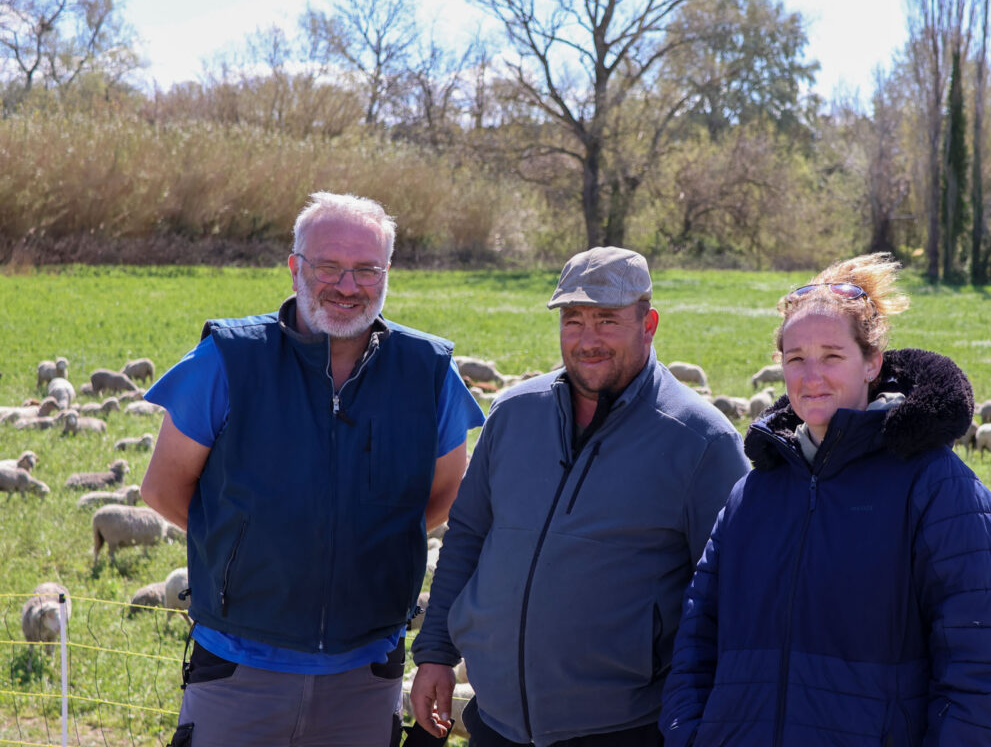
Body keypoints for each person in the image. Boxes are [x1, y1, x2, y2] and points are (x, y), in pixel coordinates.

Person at [140, 192, 485, 747]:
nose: (348, 286)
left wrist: (358, 550)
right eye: (329, 266)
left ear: (387, 273)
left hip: (366, 673)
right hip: (239, 667)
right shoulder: (229, 359)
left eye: (367, 269)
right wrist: (246, 548)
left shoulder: (428, 372)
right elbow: (163, 489)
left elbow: (444, 494)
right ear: (296, 266)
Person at [659, 253, 991, 746]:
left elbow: (981, 674)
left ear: (872, 362)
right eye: (796, 359)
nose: (812, 378)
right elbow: (698, 640)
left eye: (832, 356)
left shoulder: (938, 490)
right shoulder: (753, 493)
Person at [408, 246, 751, 746]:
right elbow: (466, 536)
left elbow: (730, 595)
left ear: (648, 323)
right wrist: (436, 651)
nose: (588, 340)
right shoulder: (514, 413)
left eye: (607, 320)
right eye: (573, 320)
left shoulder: (702, 441)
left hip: (624, 728)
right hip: (497, 719)